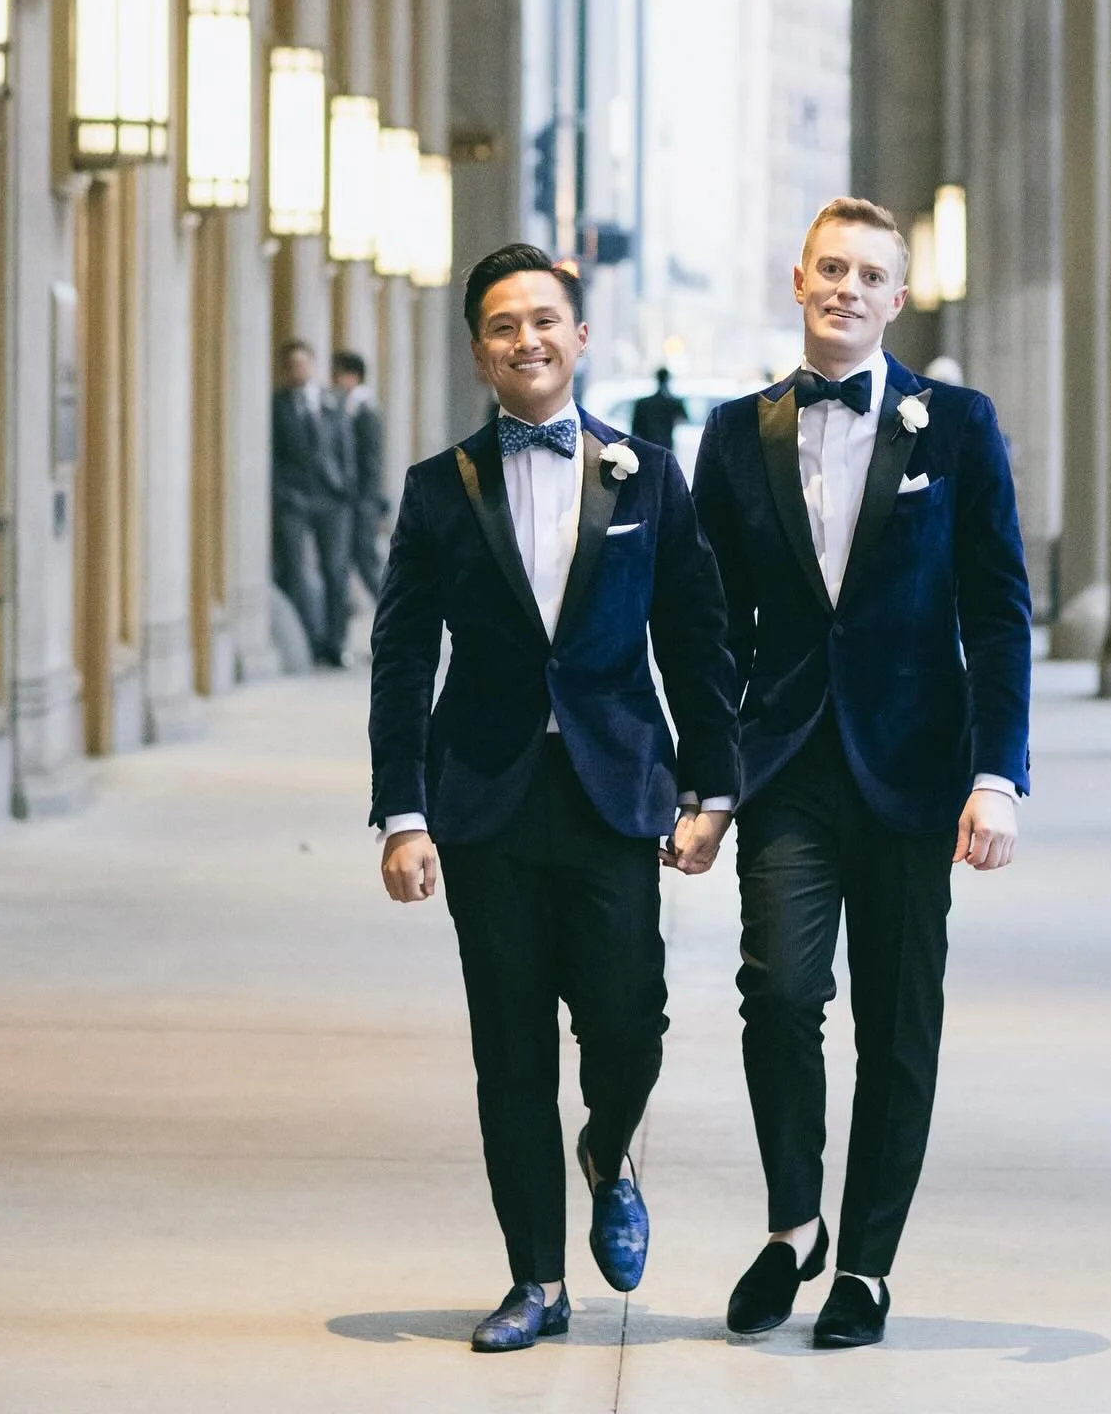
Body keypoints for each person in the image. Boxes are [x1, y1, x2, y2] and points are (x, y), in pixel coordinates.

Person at [369, 243, 740, 1355]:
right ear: (479, 353)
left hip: (614, 793)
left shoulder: (649, 476)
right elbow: (400, 658)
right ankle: (535, 1279)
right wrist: (402, 812)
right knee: (512, 1048)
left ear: (581, 338)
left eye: (544, 320)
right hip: (483, 800)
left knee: (629, 1018)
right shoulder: (441, 490)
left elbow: (697, 639)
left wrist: (711, 787)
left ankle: (607, 1148)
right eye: (501, 325)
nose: (525, 339)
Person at [691, 196, 1032, 1350]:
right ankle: (795, 1225)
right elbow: (707, 632)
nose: (845, 287)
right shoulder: (736, 436)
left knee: (896, 1022)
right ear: (798, 282)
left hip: (914, 772)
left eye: (868, 274)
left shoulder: (962, 427)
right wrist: (708, 781)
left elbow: (997, 613)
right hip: (785, 763)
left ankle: (868, 1266)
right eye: (828, 267)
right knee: (779, 995)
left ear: (897, 297)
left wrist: (1000, 774)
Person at [271, 340, 355, 667]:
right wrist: (282, 492)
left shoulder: (331, 401)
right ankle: (307, 640)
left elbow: (346, 446)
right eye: (292, 365)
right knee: (294, 569)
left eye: (303, 364)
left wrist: (347, 486)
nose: (298, 371)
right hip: (295, 499)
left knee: (335, 570)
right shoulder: (277, 406)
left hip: (332, 498)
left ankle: (335, 643)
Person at [330, 350, 387, 600]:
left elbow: (370, 461)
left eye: (338, 374)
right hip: (356, 499)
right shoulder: (351, 407)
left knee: (365, 560)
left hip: (362, 499)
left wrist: (366, 500)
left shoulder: (364, 410)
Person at [630, 366, 688, 451]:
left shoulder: (643, 403)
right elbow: (683, 418)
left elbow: (634, 429)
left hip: (646, 445)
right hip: (666, 446)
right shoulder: (673, 403)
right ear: (668, 380)